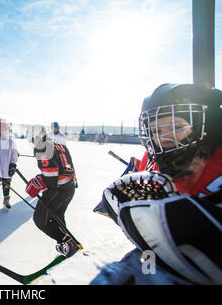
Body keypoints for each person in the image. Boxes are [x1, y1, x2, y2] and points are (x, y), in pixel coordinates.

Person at [97, 83, 222, 284]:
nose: (163, 138)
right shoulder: (153, 158)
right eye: (155, 130)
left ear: (204, 124)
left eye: (177, 127)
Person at [25, 125, 79, 258]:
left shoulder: (42, 146)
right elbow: (71, 167)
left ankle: (67, 243)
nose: (32, 143)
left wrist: (36, 182)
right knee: (58, 218)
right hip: (69, 188)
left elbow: (51, 178)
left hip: (58, 190)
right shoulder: (60, 145)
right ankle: (68, 243)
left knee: (40, 220)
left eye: (32, 139)